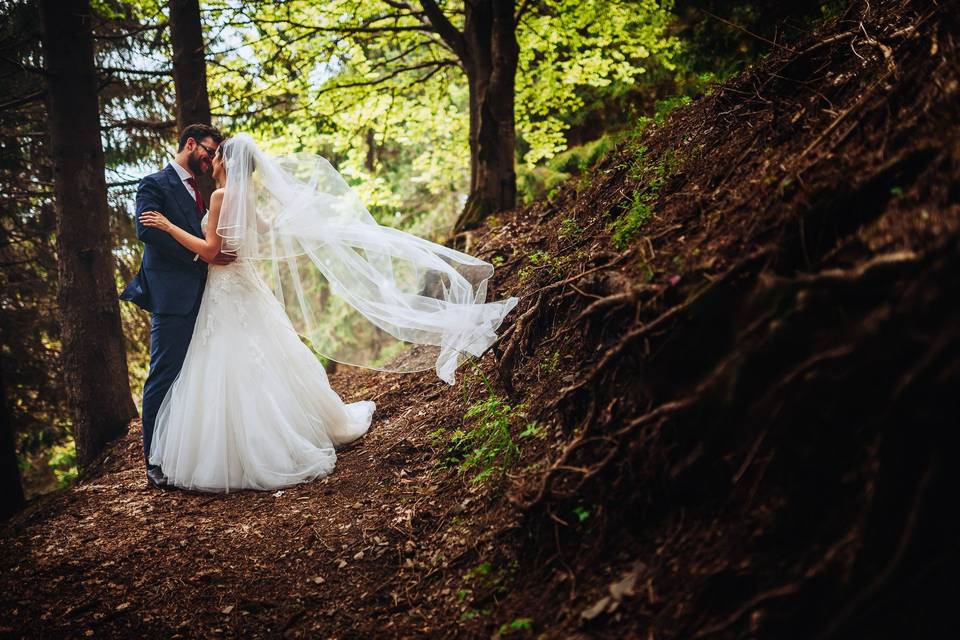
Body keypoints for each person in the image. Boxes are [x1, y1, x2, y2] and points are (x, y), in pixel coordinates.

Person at [135, 133, 517, 492]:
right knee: (263, 361)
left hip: (226, 288)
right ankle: (284, 433)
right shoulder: (245, 196)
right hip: (242, 287)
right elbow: (262, 233)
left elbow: (212, 253)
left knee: (232, 363)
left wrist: (169, 226)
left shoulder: (220, 197)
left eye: (217, 154)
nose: (213, 158)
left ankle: (246, 449)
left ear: (227, 162)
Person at [120, 124, 234, 489]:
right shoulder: (154, 183)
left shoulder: (204, 191)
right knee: (163, 375)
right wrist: (201, 258)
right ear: (190, 143)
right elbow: (147, 231)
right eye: (208, 149)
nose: (210, 157)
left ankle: (190, 453)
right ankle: (154, 460)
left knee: (198, 376)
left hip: (208, 295)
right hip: (172, 296)